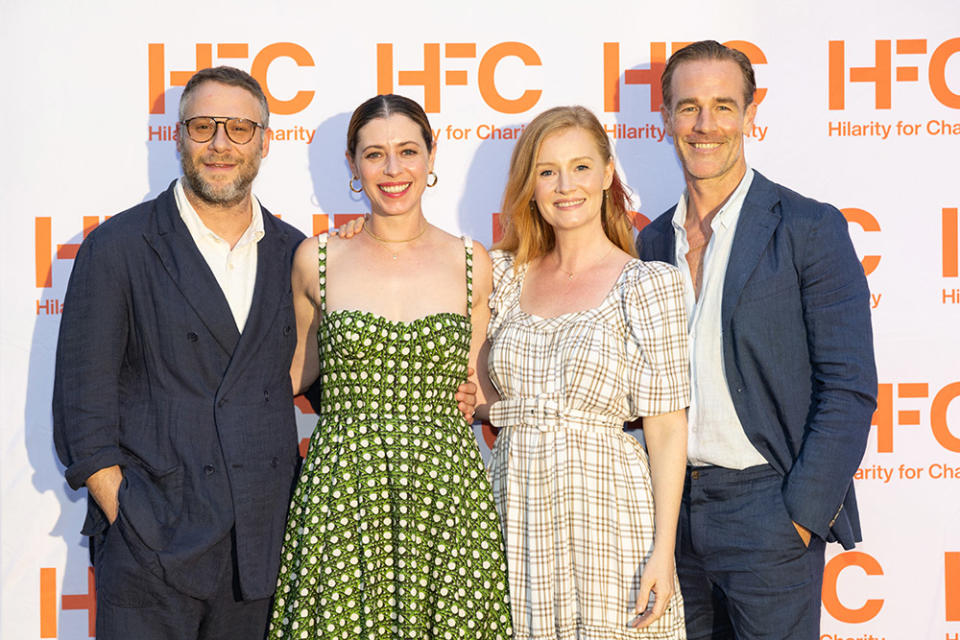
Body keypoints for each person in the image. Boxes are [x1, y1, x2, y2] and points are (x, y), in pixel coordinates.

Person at [637, 41, 878, 639]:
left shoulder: (807, 228)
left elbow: (849, 387)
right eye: (688, 107)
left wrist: (800, 514)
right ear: (666, 118)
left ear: (750, 114)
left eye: (723, 106)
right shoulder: (647, 245)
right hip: (666, 518)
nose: (705, 125)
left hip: (768, 509)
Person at [53, 67, 305, 639]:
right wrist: (128, 515)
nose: (221, 144)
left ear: (264, 142)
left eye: (240, 128)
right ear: (177, 137)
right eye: (203, 126)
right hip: (149, 549)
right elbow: (81, 407)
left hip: (262, 551)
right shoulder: (118, 247)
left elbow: (327, 378)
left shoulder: (295, 254)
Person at [267, 94, 511, 640]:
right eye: (375, 155)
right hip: (343, 493)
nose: (393, 169)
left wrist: (480, 398)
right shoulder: (318, 258)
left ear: (430, 157)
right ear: (353, 166)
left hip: (446, 496)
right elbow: (291, 374)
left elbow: (479, 384)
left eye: (407, 151)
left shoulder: (475, 263)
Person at [484, 105, 690, 639]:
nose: (564, 185)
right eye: (547, 170)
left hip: (609, 511)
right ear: (530, 185)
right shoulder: (502, 275)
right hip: (515, 508)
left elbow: (666, 430)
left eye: (580, 167)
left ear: (606, 175)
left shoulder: (647, 285)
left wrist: (662, 552)